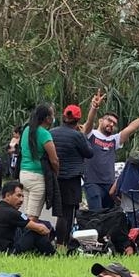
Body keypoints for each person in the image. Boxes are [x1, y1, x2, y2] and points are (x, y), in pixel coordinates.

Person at [81, 90, 139, 210]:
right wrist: (94, 107)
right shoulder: (90, 134)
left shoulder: (114, 140)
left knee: (109, 217)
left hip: (109, 184)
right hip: (92, 183)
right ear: (101, 121)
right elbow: (88, 123)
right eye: (109, 120)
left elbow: (133, 127)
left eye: (114, 123)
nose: (111, 124)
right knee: (96, 214)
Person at [51, 104, 93, 245]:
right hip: (72, 179)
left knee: (60, 213)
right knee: (67, 213)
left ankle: (59, 242)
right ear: (78, 120)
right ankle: (62, 244)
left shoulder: (52, 133)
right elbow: (89, 153)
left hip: (55, 178)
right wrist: (82, 135)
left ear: (63, 117)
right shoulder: (77, 136)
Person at [0, 181, 54, 255]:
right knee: (35, 232)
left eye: (22, 196)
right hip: (7, 253)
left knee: (22, 228)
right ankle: (53, 255)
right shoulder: (12, 213)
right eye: (18, 196)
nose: (21, 200)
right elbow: (40, 229)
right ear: (8, 196)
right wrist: (49, 231)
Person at [19, 104, 59, 221]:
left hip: (24, 174)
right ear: (47, 118)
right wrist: (56, 173)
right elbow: (54, 159)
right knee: (33, 217)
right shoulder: (44, 134)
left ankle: (23, 236)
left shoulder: (27, 130)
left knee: (27, 214)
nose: (53, 117)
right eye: (52, 115)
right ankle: (25, 238)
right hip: (37, 177)